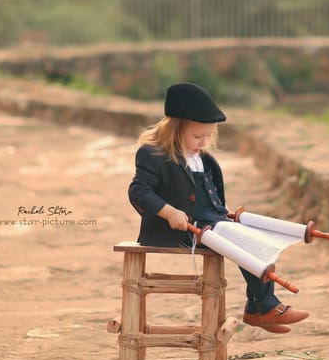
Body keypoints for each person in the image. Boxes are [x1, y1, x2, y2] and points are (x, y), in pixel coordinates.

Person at [128, 82, 309, 334]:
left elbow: (209, 197)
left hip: (212, 222)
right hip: (184, 230)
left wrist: (224, 214)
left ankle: (257, 310)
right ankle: (264, 306)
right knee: (244, 241)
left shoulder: (203, 159)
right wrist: (169, 212)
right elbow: (139, 191)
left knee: (256, 239)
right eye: (197, 136)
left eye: (207, 136)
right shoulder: (153, 155)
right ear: (175, 128)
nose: (202, 142)